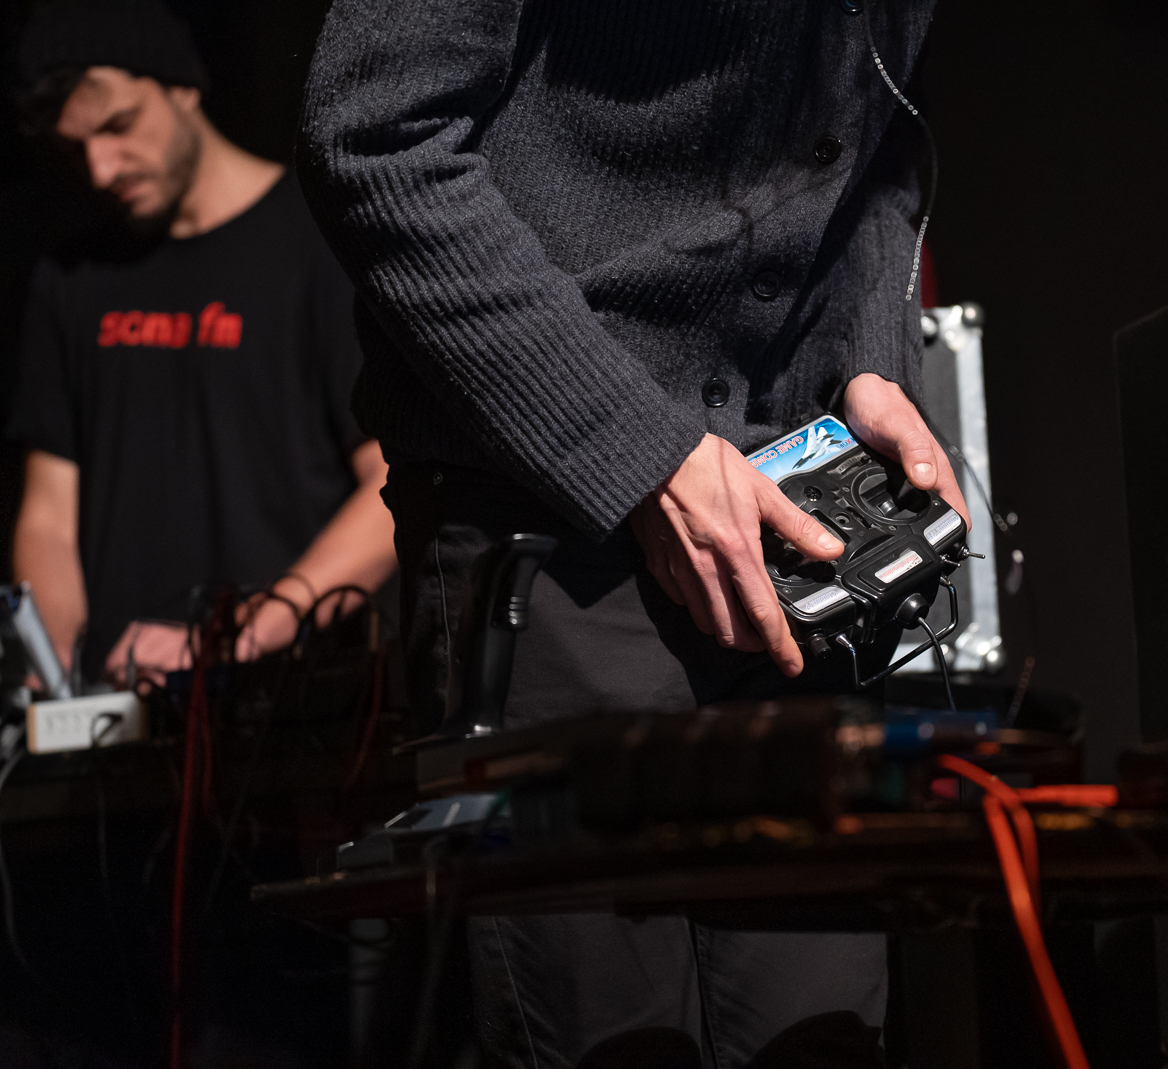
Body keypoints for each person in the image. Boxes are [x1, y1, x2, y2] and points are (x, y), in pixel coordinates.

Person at [299, 0, 965, 1065]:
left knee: (823, 1037)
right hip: (549, 509)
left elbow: (878, 122)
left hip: (790, 518)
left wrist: (869, 355)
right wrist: (638, 451)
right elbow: (372, 138)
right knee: (615, 1042)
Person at [7, 0, 397, 685]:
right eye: (76, 148)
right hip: (121, 702)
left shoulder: (318, 242)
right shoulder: (71, 280)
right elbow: (48, 519)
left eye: (119, 126)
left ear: (182, 85)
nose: (100, 168)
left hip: (288, 702)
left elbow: (390, 484)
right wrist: (59, 678)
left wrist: (241, 636)